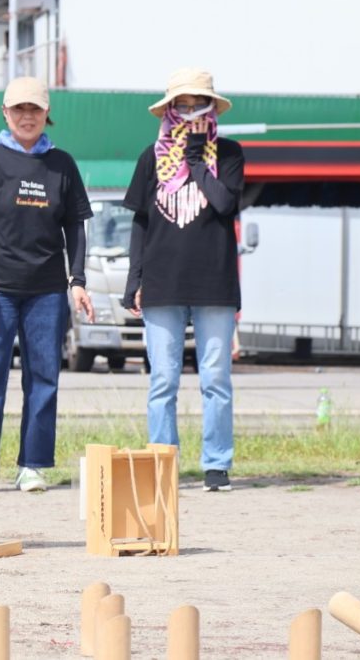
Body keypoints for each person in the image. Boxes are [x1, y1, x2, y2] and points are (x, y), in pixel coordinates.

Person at [0, 77, 94, 496]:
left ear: (47, 114)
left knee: (43, 378)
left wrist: (77, 280)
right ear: (5, 113)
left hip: (47, 292)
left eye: (35, 109)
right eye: (19, 109)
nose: (27, 117)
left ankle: (32, 465)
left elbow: (75, 227)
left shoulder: (62, 164)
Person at [121, 68, 245, 492]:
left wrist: (196, 162)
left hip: (214, 282)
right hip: (161, 281)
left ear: (212, 108)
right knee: (163, 379)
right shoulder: (150, 156)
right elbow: (140, 221)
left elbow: (226, 204)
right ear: (170, 109)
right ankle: (163, 461)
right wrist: (132, 278)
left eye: (198, 104)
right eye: (182, 105)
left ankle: (216, 464)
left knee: (215, 378)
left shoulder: (228, 154)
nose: (190, 113)